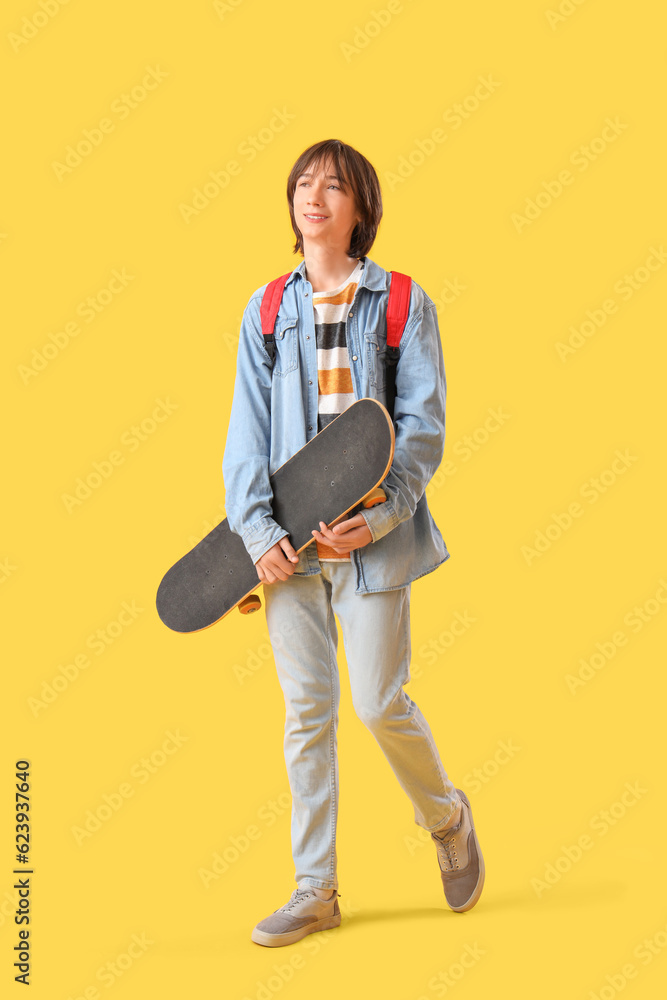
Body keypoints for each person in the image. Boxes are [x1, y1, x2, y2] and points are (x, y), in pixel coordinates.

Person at [222, 139, 484, 948]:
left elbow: (422, 432)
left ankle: (445, 818)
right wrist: (259, 532)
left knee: (377, 702)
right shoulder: (267, 309)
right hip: (291, 559)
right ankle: (315, 890)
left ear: (359, 207)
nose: (314, 196)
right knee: (307, 714)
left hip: (374, 548)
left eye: (333, 186)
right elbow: (246, 437)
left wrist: (374, 518)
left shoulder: (402, 302)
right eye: (303, 184)